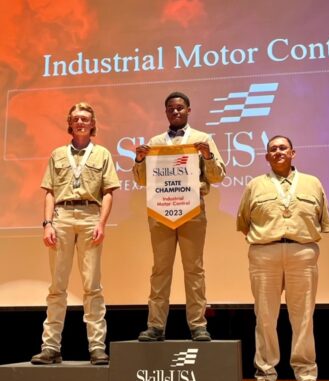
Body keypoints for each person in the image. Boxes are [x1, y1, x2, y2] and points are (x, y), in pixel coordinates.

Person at [236, 135, 329, 381]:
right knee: (265, 317)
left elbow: (323, 219)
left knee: (303, 318)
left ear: (293, 152)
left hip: (302, 252)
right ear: (267, 157)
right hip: (264, 253)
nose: (278, 152)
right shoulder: (255, 185)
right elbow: (243, 222)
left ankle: (306, 375)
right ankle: (265, 375)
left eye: (283, 148)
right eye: (272, 149)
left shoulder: (313, 183)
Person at [31, 102, 120, 365]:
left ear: (93, 124)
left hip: (91, 217)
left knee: (92, 286)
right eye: (76, 119)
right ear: (70, 123)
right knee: (57, 286)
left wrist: (102, 223)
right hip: (62, 217)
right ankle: (50, 347)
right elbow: (49, 191)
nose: (81, 122)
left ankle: (96, 347)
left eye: (85, 119)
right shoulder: (57, 154)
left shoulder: (102, 154)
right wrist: (47, 223)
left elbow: (108, 193)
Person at [133, 91, 226, 341]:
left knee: (194, 269)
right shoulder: (154, 142)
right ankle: (155, 326)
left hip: (192, 211)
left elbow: (218, 177)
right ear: (166, 112)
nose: (176, 112)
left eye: (180, 108)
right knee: (160, 270)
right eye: (171, 108)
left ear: (188, 110)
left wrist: (207, 155)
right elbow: (141, 180)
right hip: (160, 211)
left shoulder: (202, 139)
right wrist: (140, 159)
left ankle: (198, 325)